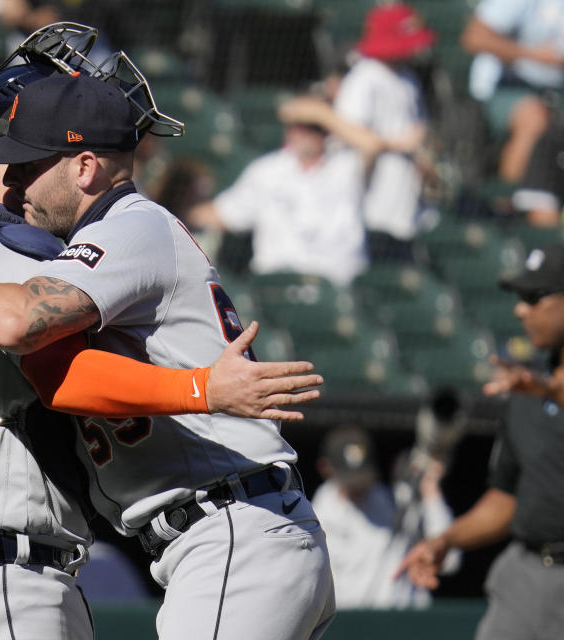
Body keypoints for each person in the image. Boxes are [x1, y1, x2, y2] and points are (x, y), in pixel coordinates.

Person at [0, 72, 336, 639]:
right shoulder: (100, 247)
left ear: (84, 167)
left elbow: (15, 321)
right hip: (226, 538)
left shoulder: (131, 227)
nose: (15, 187)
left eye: (28, 167)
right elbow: (60, 378)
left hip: (234, 528)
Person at [397, 244, 564, 639]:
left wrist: (546, 389)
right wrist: (446, 540)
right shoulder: (524, 392)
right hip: (526, 575)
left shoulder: (532, 386)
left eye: (533, 297)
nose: (520, 310)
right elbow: (507, 498)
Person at [187, 91, 373, 287]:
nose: (302, 133)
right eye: (297, 126)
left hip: (335, 285)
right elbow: (222, 214)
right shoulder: (268, 170)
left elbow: (370, 144)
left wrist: (321, 114)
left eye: (313, 127)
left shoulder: (346, 167)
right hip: (277, 285)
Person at [312, 426, 458, 609]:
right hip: (348, 628)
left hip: (403, 625)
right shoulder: (313, 519)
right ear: (325, 468)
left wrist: (430, 490)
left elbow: (451, 559)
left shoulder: (396, 501)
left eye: (362, 475)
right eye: (350, 478)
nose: (358, 486)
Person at [333, 2, 435, 260]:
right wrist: (399, 143)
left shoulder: (407, 77)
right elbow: (349, 134)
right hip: (374, 188)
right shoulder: (364, 76)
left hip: (403, 187)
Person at [462, 0, 564, 183]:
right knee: (534, 117)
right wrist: (535, 55)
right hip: (506, 89)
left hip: (557, 91)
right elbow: (473, 38)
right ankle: (508, 201)